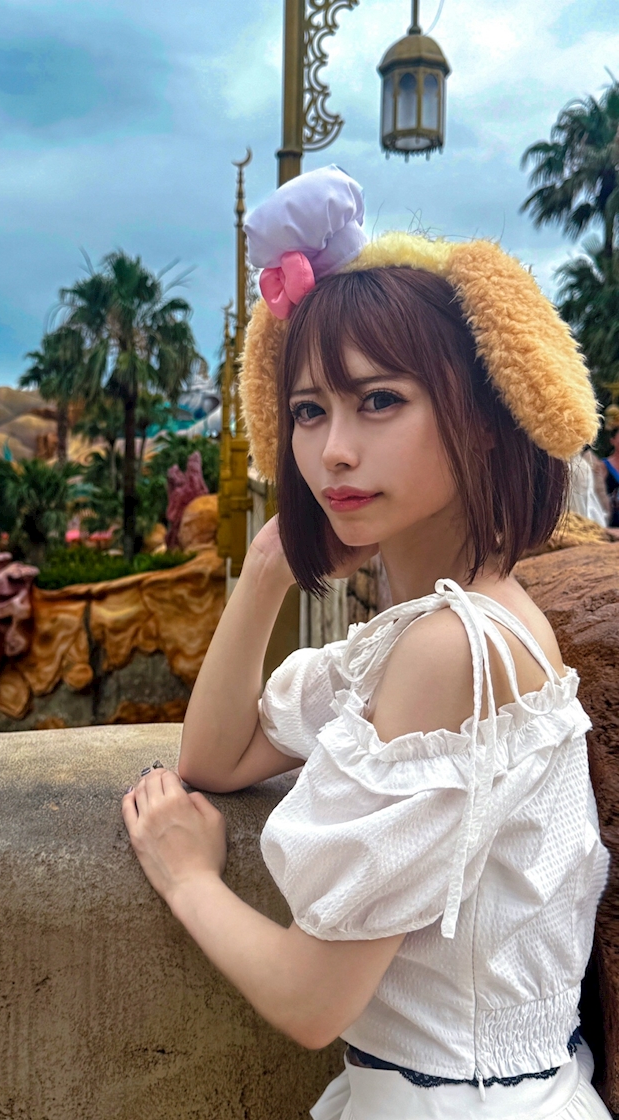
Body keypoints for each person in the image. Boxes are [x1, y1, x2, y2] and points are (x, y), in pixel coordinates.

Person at [121, 167, 610, 1120]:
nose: (333, 450)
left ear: (481, 416)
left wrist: (186, 877)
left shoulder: (451, 650)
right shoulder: (452, 621)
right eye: (309, 411)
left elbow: (312, 1000)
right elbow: (214, 759)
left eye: (379, 401)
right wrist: (269, 565)